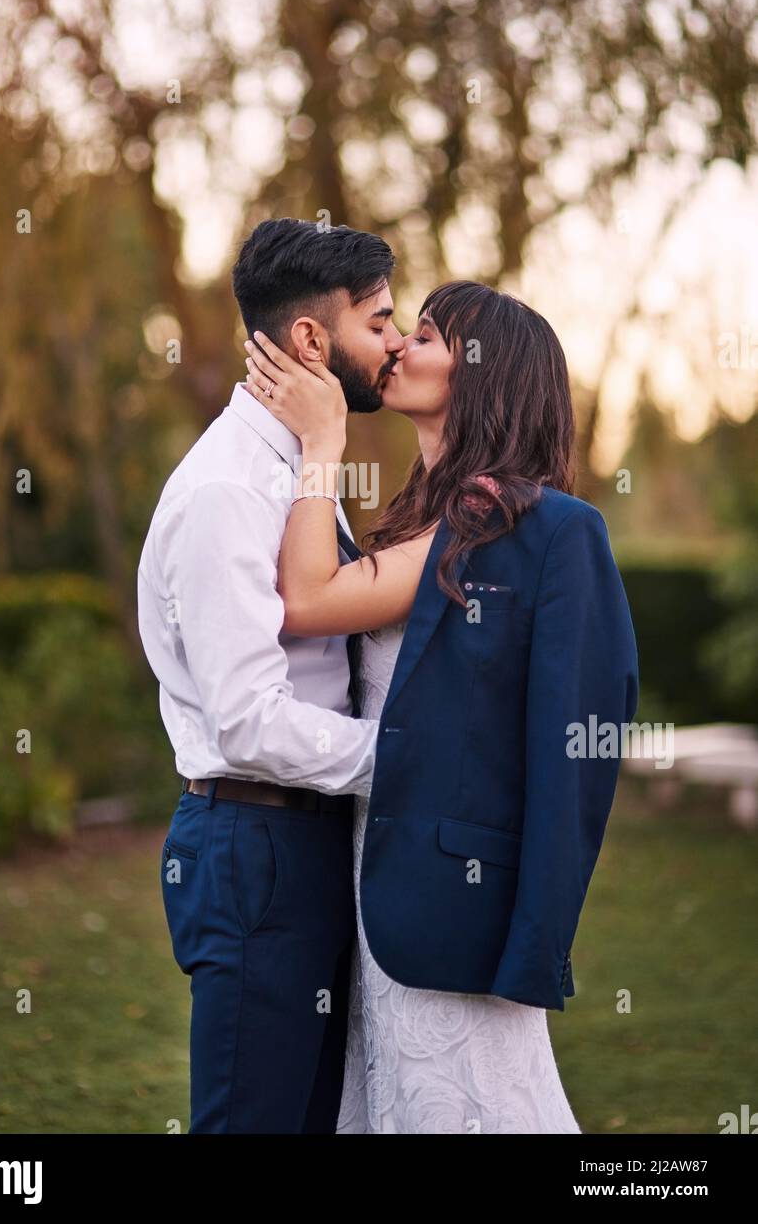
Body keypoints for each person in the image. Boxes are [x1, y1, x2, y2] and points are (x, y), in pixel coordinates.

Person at [243, 279, 639, 1134]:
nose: (396, 348)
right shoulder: (419, 525)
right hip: (370, 895)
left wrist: (320, 442)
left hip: (466, 920)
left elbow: (577, 755)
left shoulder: (553, 533)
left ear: (484, 376)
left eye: (423, 336)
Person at [137, 218, 406, 1133]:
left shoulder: (288, 472)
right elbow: (250, 719)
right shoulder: (226, 491)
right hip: (254, 843)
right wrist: (403, 757)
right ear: (309, 340)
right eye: (379, 320)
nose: (397, 339)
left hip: (303, 836)